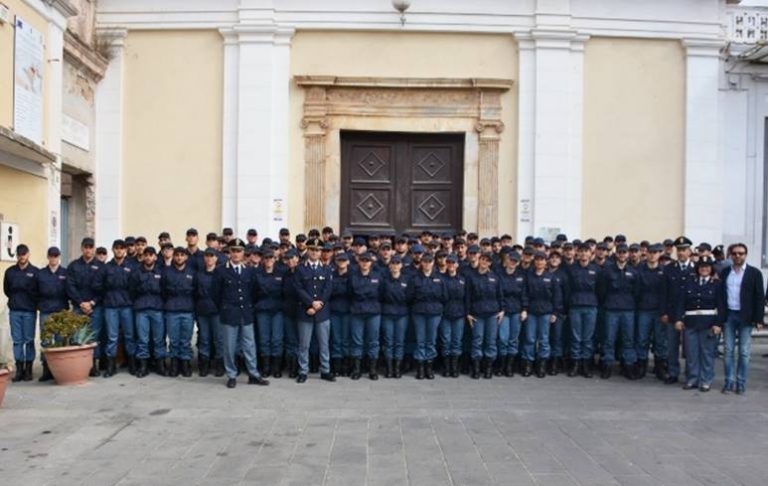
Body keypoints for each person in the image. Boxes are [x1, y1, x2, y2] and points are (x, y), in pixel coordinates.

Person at [211, 239, 269, 388]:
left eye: (239, 251)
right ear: (229, 252)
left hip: (246, 312)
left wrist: (250, 306)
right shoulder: (221, 270)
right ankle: (231, 375)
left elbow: (255, 292)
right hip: (229, 313)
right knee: (229, 347)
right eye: (233, 251)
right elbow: (215, 294)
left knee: (249, 345)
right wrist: (224, 308)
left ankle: (253, 374)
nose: (236, 254)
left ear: (244, 253)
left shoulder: (250, 271)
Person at [718, 243, 765, 394]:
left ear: (746, 255)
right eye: (735, 253)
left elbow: (759, 297)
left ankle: (741, 383)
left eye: (741, 253)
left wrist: (758, 319)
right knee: (728, 350)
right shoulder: (725, 272)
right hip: (729, 315)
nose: (738, 256)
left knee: (744, 352)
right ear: (730, 255)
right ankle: (729, 382)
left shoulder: (754, 273)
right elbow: (720, 295)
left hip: (746, 316)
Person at [673, 257, 723, 392]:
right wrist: (678, 319)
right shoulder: (689, 283)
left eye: (707, 266)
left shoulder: (717, 285)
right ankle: (692, 379)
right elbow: (681, 303)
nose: (704, 269)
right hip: (691, 323)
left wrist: (718, 324)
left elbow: (721, 306)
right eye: (701, 266)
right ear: (697, 268)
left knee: (707, 353)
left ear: (711, 269)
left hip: (708, 323)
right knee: (691, 353)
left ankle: (706, 380)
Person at [293, 238, 334, 383]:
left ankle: (325, 370)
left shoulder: (327, 269)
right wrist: (310, 304)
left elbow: (328, 289)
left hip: (322, 312)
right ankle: (303, 371)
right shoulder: (300, 268)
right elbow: (298, 289)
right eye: (312, 249)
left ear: (321, 252)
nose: (315, 252)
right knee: (304, 344)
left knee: (324, 344)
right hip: (305, 311)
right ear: (308, 250)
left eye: (317, 250)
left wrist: (318, 304)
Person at [95, 239, 135, 377]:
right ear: (112, 250)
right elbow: (98, 286)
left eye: (121, 248)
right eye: (116, 248)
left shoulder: (131, 266)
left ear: (125, 250)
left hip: (126, 306)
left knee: (129, 336)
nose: (119, 250)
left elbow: (135, 286)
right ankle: (110, 366)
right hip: (111, 306)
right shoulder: (106, 268)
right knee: (112, 337)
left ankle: (132, 364)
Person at [598, 243, 638, 380]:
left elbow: (636, 292)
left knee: (628, 339)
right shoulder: (608, 271)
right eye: (620, 252)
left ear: (627, 254)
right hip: (611, 308)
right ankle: (607, 365)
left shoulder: (633, 271)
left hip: (628, 309)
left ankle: (628, 366)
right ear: (616, 254)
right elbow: (602, 290)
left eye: (624, 252)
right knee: (609, 339)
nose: (622, 255)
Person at [66, 237, 105, 376]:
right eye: (86, 247)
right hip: (78, 306)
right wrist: (81, 302)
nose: (88, 250)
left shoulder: (101, 267)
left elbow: (103, 288)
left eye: (91, 247)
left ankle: (93, 365)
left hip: (96, 307)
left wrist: (92, 303)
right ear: (82, 248)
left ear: (94, 249)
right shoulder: (73, 266)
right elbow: (70, 287)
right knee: (78, 337)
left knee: (94, 336)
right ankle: (80, 366)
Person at [660, 236, 696, 385]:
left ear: (690, 251)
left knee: (689, 347)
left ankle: (690, 374)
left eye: (684, 250)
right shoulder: (669, 269)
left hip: (690, 314)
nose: (681, 253)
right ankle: (673, 372)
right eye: (679, 250)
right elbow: (663, 293)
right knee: (672, 346)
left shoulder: (697, 269)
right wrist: (664, 312)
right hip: (672, 312)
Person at [523, 251, 563, 378]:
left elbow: (557, 296)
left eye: (542, 260)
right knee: (530, 339)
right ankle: (528, 364)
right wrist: (524, 308)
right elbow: (525, 294)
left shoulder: (551, 277)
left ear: (546, 262)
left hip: (546, 312)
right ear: (534, 262)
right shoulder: (529, 276)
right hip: (531, 312)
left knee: (544, 339)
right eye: (537, 259)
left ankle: (542, 365)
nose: (539, 262)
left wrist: (555, 312)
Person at [3, 244, 39, 382]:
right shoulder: (10, 272)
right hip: (15, 310)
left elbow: (37, 291)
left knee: (29, 341)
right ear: (16, 255)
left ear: (28, 254)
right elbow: (6, 290)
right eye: (19, 254)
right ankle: (19, 370)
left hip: (29, 311)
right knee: (17, 341)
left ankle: (29, 370)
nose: (21, 256)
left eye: (24, 254)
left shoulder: (35, 272)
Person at [466, 252, 504, 379]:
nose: (484, 262)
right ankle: (476, 367)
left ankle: (488, 368)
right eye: (482, 259)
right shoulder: (471, 277)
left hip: (492, 313)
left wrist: (502, 310)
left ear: (490, 263)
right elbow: (468, 297)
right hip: (477, 314)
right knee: (477, 340)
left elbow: (500, 295)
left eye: (487, 260)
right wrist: (468, 313)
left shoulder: (495, 277)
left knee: (491, 341)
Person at [409, 253, 447, 380]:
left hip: (434, 313)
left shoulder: (440, 278)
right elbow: (410, 296)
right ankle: (420, 367)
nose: (427, 264)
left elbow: (444, 296)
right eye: (424, 261)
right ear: (421, 263)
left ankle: (429, 367)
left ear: (433, 263)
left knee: (431, 340)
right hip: (419, 312)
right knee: (420, 340)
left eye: (429, 261)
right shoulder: (415, 278)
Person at [130, 246, 166, 377]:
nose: (149, 257)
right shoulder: (136, 272)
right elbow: (132, 290)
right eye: (146, 255)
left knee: (158, 339)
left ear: (155, 257)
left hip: (157, 308)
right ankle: (143, 366)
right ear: (143, 257)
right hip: (141, 309)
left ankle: (160, 364)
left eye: (151, 255)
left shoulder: (161, 271)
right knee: (142, 339)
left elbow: (165, 291)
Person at [35, 246, 69, 382]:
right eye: (51, 256)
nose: (53, 258)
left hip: (61, 311)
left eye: (56, 256)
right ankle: (46, 370)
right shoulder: (41, 274)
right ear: (48, 257)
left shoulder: (65, 273)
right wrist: (39, 305)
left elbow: (69, 290)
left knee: (60, 339)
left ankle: (59, 370)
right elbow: (34, 291)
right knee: (46, 341)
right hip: (45, 311)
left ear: (59, 257)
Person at [162, 247, 196, 378]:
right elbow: (163, 290)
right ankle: (174, 364)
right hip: (172, 310)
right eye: (177, 255)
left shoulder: (192, 272)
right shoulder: (166, 272)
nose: (179, 258)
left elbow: (195, 292)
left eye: (182, 255)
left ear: (186, 257)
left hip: (187, 310)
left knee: (186, 340)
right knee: (174, 340)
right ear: (173, 257)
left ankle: (185, 363)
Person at [348, 251, 383, 380]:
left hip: (373, 312)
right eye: (362, 260)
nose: (364, 263)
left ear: (371, 262)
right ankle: (357, 369)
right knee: (357, 341)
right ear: (359, 262)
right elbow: (349, 292)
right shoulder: (353, 276)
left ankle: (372, 370)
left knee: (373, 341)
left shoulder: (377, 276)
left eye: (367, 261)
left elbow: (382, 292)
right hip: (357, 311)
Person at [635, 243, 667, 380]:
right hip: (644, 309)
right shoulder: (640, 271)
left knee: (660, 340)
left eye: (655, 253)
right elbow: (636, 291)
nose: (653, 255)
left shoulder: (664, 271)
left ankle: (659, 367)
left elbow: (667, 293)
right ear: (646, 254)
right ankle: (641, 366)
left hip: (659, 311)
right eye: (650, 252)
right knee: (642, 339)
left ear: (659, 254)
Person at [254, 249, 285, 378]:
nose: (269, 260)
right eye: (266, 258)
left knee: (277, 339)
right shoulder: (257, 274)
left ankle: (276, 367)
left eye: (271, 258)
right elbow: (254, 292)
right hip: (262, 309)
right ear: (263, 260)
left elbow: (284, 292)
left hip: (277, 310)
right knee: (264, 339)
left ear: (275, 259)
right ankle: (266, 367)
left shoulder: (281, 273)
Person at [497, 250, 526, 377]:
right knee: (503, 339)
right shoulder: (499, 275)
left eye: (515, 261)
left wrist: (524, 309)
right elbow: (498, 294)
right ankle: (501, 366)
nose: (513, 263)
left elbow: (524, 295)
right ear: (506, 260)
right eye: (511, 260)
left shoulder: (521, 276)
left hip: (517, 311)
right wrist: (500, 309)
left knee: (513, 340)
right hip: (504, 311)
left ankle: (509, 367)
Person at [195, 248, 223, 377]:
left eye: (212, 256)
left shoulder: (220, 274)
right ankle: (204, 365)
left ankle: (219, 365)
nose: (209, 258)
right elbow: (194, 292)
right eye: (207, 256)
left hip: (217, 311)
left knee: (218, 339)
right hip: (202, 310)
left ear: (216, 258)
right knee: (204, 339)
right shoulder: (199, 274)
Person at [381, 255, 410, 378]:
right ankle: (389, 368)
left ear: (401, 265)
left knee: (399, 342)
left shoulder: (406, 280)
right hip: (388, 313)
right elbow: (380, 295)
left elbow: (410, 296)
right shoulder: (384, 280)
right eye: (393, 263)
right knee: (388, 341)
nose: (395, 265)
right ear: (389, 266)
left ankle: (397, 369)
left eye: (397, 263)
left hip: (402, 314)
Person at [440, 254, 467, 378]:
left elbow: (467, 298)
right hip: (445, 313)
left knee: (456, 341)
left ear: (457, 264)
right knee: (446, 340)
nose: (451, 265)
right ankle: (446, 367)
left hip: (459, 314)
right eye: (449, 262)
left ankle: (454, 367)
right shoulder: (441, 279)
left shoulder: (462, 279)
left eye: (453, 263)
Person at [329, 252, 352, 377]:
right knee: (336, 340)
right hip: (335, 310)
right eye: (339, 260)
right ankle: (337, 366)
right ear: (336, 262)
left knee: (346, 340)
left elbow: (352, 292)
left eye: (344, 260)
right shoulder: (332, 275)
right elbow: (329, 292)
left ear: (348, 262)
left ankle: (346, 366)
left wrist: (339, 290)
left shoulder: (352, 275)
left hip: (348, 311)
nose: (342, 262)